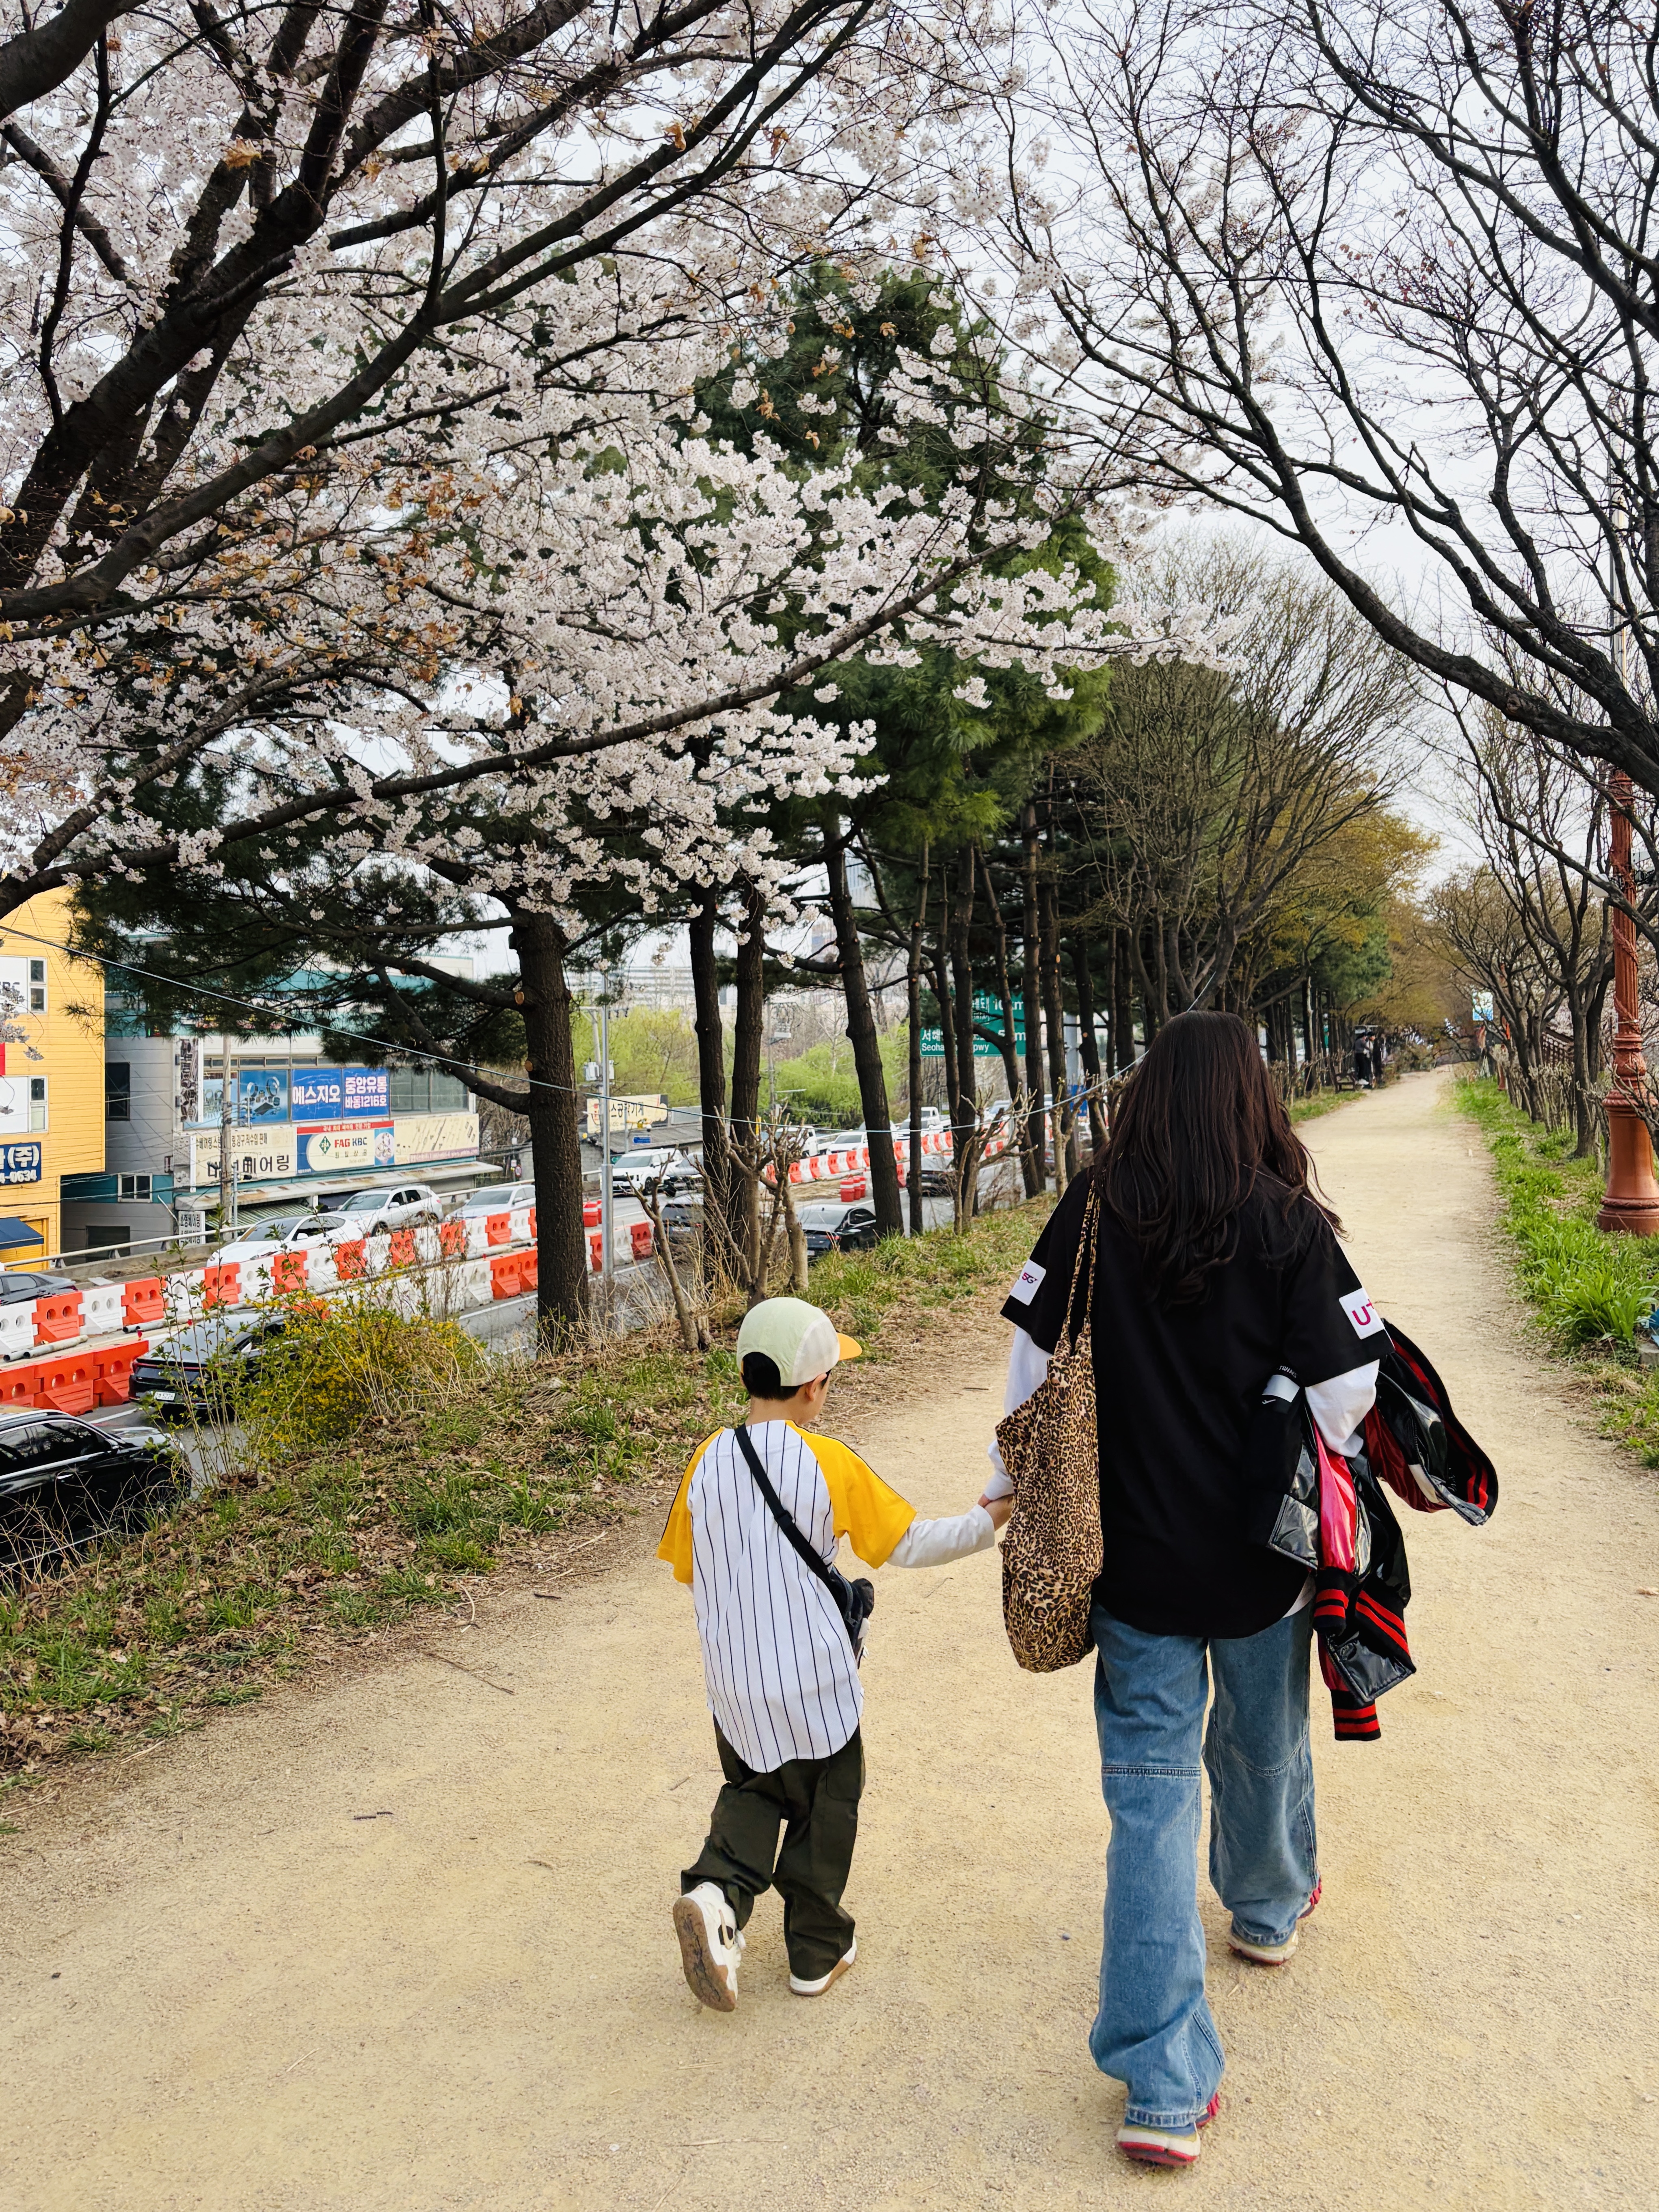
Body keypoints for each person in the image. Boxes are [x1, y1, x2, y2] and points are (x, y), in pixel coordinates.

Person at [986, 1011, 1382, 2169]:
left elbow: (1027, 1367)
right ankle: (1263, 1911)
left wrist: (1019, 1483)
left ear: (1147, 1092)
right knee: (1261, 1746)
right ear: (1249, 1094)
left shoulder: (1092, 1209)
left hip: (1133, 1567)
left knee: (1148, 1801)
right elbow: (1351, 1388)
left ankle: (1161, 2086)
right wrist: (1272, 1414)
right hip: (1261, 1561)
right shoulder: (1285, 1223)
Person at [659, 1295, 1010, 2012]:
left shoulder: (704, 1460)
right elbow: (910, 1541)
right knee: (826, 1808)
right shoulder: (828, 1461)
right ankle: (815, 1953)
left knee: (754, 1792)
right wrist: (988, 1520)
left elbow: (688, 1565)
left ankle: (715, 1894)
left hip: (736, 1687)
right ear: (815, 1385)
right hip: (815, 1685)